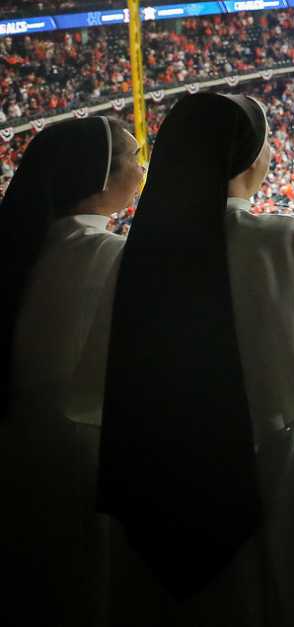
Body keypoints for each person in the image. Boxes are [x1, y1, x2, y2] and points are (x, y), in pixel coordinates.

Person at [91, 91, 294, 626]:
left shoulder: (132, 257)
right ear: (247, 157)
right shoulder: (278, 239)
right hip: (291, 459)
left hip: (176, 467)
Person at [0, 116, 142, 627]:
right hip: (86, 467)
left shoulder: (29, 248)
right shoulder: (111, 256)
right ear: (101, 177)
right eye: (133, 158)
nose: (143, 167)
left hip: (22, 460)